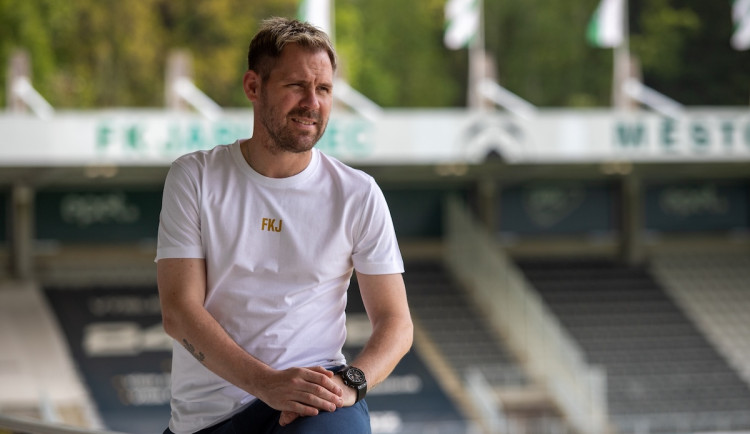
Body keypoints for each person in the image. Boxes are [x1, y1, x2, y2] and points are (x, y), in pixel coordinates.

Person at [155, 17, 413, 434]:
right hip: (208, 416)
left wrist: (351, 383)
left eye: (324, 89)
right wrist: (267, 384)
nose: (313, 102)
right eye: (296, 85)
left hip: (316, 401)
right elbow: (179, 313)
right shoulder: (195, 177)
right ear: (253, 87)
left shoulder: (358, 193)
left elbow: (396, 322)